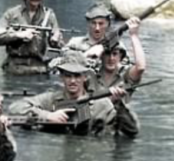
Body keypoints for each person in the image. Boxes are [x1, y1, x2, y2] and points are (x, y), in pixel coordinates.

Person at [9, 53, 139, 138]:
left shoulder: (103, 104)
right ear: (61, 76)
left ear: (85, 76)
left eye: (77, 76)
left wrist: (119, 105)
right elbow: (15, 108)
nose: (72, 81)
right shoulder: (50, 99)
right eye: (68, 75)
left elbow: (131, 132)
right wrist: (48, 116)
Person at [0, 0, 63, 74]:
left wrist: (56, 40)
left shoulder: (49, 15)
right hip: (14, 69)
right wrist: (18, 35)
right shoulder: (11, 14)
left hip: (39, 69)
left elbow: (59, 43)